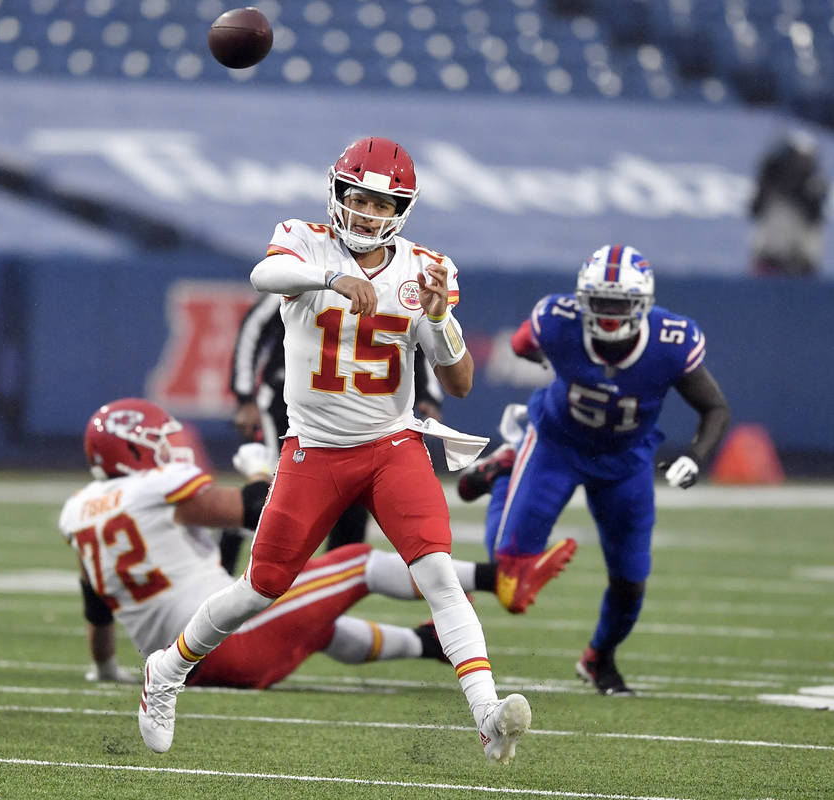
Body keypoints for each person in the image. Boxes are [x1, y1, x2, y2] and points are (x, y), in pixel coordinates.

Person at [137, 136, 535, 765]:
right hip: (314, 450)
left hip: (391, 444)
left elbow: (458, 383)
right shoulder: (306, 241)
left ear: (401, 209)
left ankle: (487, 715)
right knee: (261, 587)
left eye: (381, 203)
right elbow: (262, 274)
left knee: (436, 574)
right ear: (338, 193)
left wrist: (440, 318)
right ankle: (166, 671)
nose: (367, 212)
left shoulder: (427, 268)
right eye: (357, 197)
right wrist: (332, 277)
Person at [61, 398, 560, 687]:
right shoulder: (151, 490)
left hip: (188, 665)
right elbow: (255, 509)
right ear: (132, 451)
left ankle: (427, 645)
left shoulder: (78, 512)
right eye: (158, 442)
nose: (170, 449)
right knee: (356, 562)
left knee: (315, 622)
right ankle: (499, 579)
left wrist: (105, 668)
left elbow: (96, 606)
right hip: (230, 645)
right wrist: (258, 469)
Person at [457, 244, 730, 695]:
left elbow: (715, 408)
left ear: (642, 304)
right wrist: (553, 361)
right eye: (599, 301)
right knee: (510, 581)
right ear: (583, 298)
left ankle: (599, 657)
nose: (607, 313)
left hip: (626, 463)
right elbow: (523, 344)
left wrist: (696, 458)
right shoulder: (559, 321)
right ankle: (507, 469)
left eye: (619, 303)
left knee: (630, 578)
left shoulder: (670, 342)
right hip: (557, 445)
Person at [221, 294, 444, 570]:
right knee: (285, 497)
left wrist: (428, 394)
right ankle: (235, 525)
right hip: (292, 404)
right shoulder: (306, 269)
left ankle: (330, 588)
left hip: (356, 408)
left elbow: (413, 333)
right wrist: (244, 396)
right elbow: (254, 325)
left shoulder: (392, 278)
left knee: (354, 499)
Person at [748, 130, 828, 277]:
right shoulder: (772, 178)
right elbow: (755, 209)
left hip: (800, 255)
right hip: (771, 253)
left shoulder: (813, 182)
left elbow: (815, 215)